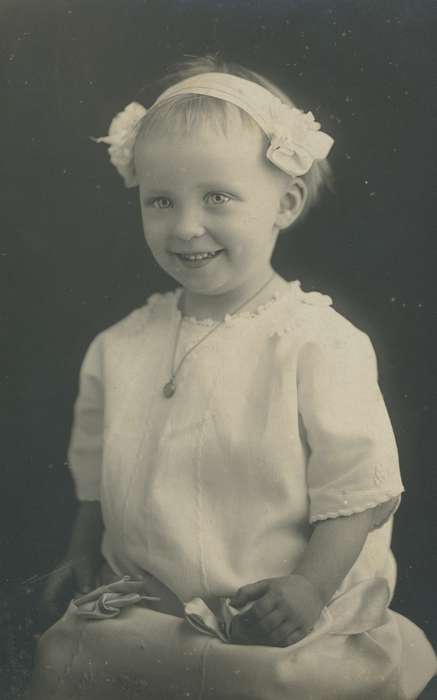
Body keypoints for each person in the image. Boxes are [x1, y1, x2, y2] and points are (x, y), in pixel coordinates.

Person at [29, 55, 436, 699]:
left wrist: (309, 587)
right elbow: (96, 473)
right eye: (161, 200)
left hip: (274, 619)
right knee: (73, 659)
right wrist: (84, 550)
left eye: (218, 197)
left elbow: (358, 491)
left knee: (281, 684)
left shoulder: (316, 342)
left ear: (286, 202)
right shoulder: (121, 346)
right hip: (150, 610)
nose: (186, 226)